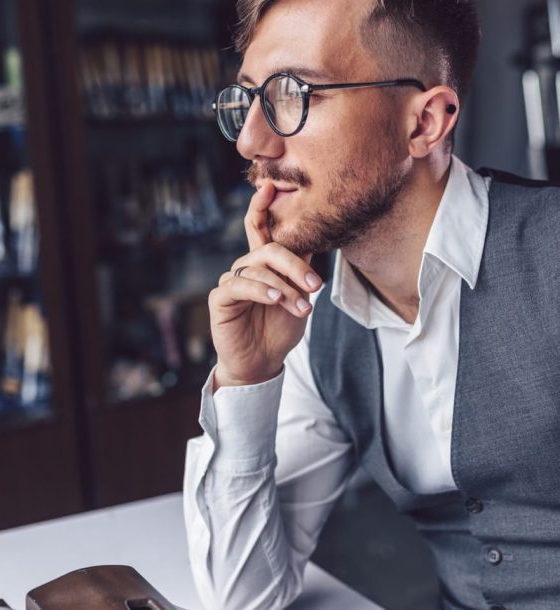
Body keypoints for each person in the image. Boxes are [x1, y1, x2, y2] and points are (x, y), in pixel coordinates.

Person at [183, 0, 560, 609]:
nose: (252, 141)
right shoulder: (311, 322)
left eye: (294, 93)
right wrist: (246, 378)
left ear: (424, 123)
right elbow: (244, 597)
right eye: (248, 97)